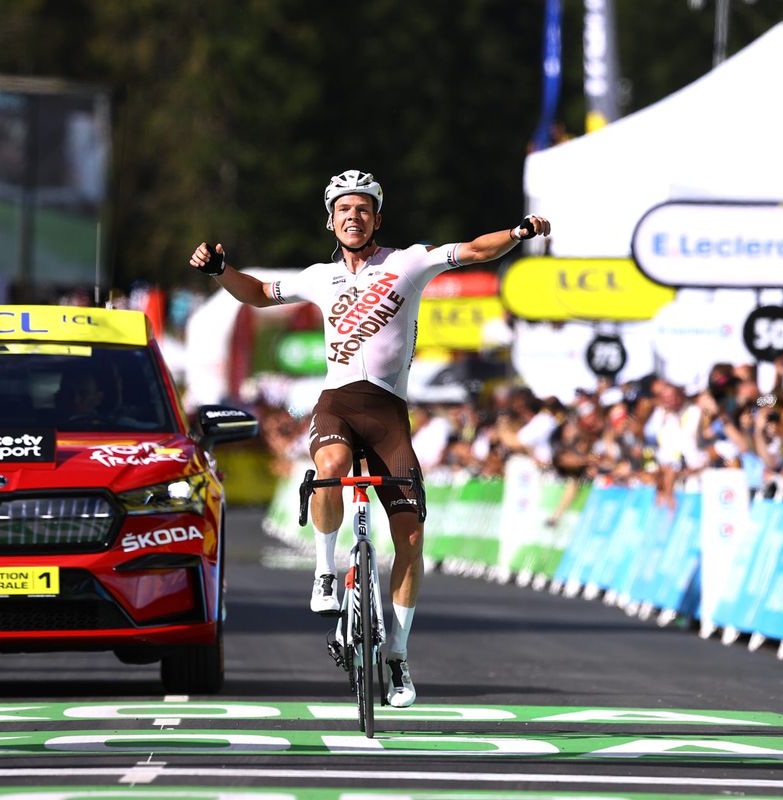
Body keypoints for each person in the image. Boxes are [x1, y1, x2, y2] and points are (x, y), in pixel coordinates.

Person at [188, 169, 551, 707]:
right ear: (331, 221)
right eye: (343, 210)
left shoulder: (408, 262)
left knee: (409, 534)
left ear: (376, 219)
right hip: (337, 403)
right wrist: (221, 269)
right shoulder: (317, 276)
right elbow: (261, 294)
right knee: (329, 468)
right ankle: (325, 571)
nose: (352, 218)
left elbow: (475, 251)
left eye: (362, 210)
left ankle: (398, 657)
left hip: (388, 412)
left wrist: (519, 233)